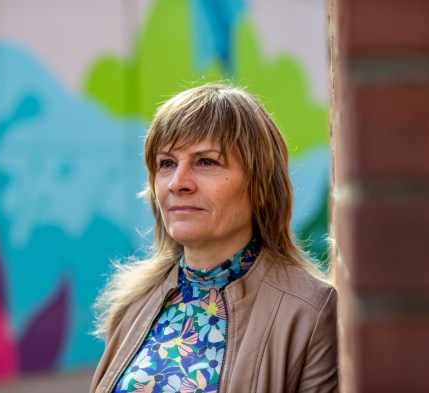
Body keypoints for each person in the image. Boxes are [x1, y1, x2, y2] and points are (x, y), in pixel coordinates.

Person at [90, 84, 338, 393]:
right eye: (167, 163)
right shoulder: (133, 303)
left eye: (206, 161)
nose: (178, 183)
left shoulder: (310, 311)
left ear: (259, 184)